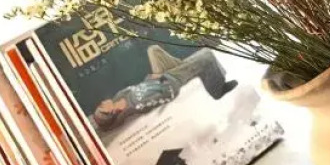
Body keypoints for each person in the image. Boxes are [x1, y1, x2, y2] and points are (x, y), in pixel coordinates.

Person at [93, 46, 237, 131]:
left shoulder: (120, 96)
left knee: (153, 50)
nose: (102, 103)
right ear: (112, 112)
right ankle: (217, 90)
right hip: (171, 80)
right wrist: (161, 78)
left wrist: (153, 77)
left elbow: (145, 85)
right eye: (102, 107)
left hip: (159, 76)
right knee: (207, 55)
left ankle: (186, 66)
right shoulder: (138, 103)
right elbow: (167, 94)